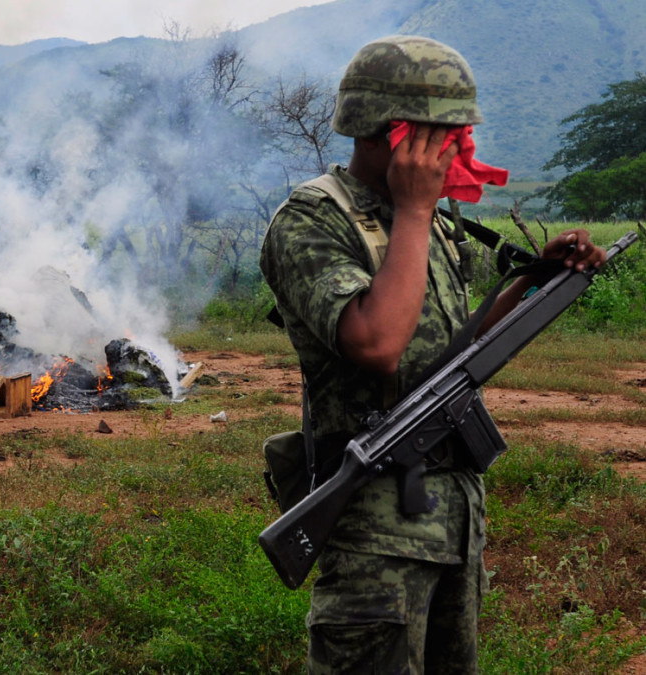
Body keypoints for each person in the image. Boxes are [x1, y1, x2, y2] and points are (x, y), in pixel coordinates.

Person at [259, 35, 606, 673]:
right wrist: (417, 209)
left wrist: (536, 279)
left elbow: (459, 349)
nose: (457, 150)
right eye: (440, 134)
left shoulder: (429, 226)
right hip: (375, 541)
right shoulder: (312, 221)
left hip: (452, 524)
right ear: (385, 131)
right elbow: (378, 344)